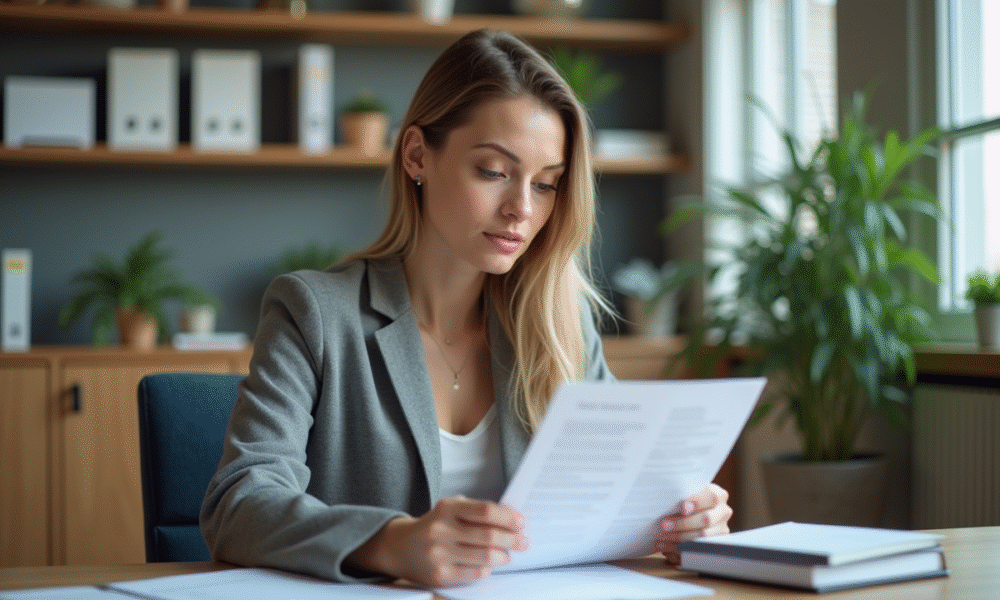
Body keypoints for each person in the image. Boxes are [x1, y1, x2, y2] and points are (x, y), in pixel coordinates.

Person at [199, 28, 732, 588]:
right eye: (494, 172)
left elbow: (619, 498)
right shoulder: (315, 314)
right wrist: (391, 543)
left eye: (547, 184)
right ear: (416, 156)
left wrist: (683, 522)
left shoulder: (561, 322)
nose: (521, 209)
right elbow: (238, 503)